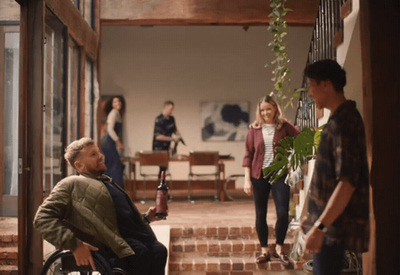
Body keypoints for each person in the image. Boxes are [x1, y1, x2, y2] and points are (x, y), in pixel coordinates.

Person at [34, 137, 168, 275]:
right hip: (110, 247)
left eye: (99, 152)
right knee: (140, 252)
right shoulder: (71, 184)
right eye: (93, 154)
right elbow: (42, 218)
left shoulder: (106, 182)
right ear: (79, 166)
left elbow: (118, 221)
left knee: (159, 250)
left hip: (131, 240)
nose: (101, 156)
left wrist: (146, 218)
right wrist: (75, 244)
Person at [302, 59, 369, 275]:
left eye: (311, 85)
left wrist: (320, 227)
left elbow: (347, 183)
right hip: (328, 227)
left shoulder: (344, 122)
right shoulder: (337, 119)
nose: (310, 93)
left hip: (332, 230)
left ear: (326, 84)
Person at [242, 95, 300, 265]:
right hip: (258, 176)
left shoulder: (284, 127)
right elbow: (248, 155)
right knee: (261, 214)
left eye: (268, 108)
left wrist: (292, 160)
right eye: (262, 109)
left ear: (275, 108)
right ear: (259, 111)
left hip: (279, 175)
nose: (265, 112)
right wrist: (247, 180)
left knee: (283, 213)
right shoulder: (254, 129)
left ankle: (280, 247)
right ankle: (265, 250)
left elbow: (300, 139)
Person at [100, 96, 125, 188]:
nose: (118, 103)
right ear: (112, 104)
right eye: (115, 102)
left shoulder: (117, 114)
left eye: (119, 101)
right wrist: (118, 142)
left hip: (109, 142)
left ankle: (111, 188)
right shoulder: (113, 113)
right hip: (108, 142)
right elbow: (110, 129)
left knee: (113, 164)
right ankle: (113, 188)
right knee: (114, 165)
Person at [152, 100, 183, 175]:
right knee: (162, 168)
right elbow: (158, 136)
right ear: (165, 107)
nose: (172, 111)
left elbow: (175, 130)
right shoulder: (159, 119)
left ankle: (163, 183)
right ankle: (161, 184)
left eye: (172, 109)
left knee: (165, 168)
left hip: (168, 147)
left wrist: (179, 136)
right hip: (159, 148)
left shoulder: (172, 119)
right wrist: (171, 139)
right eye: (170, 109)